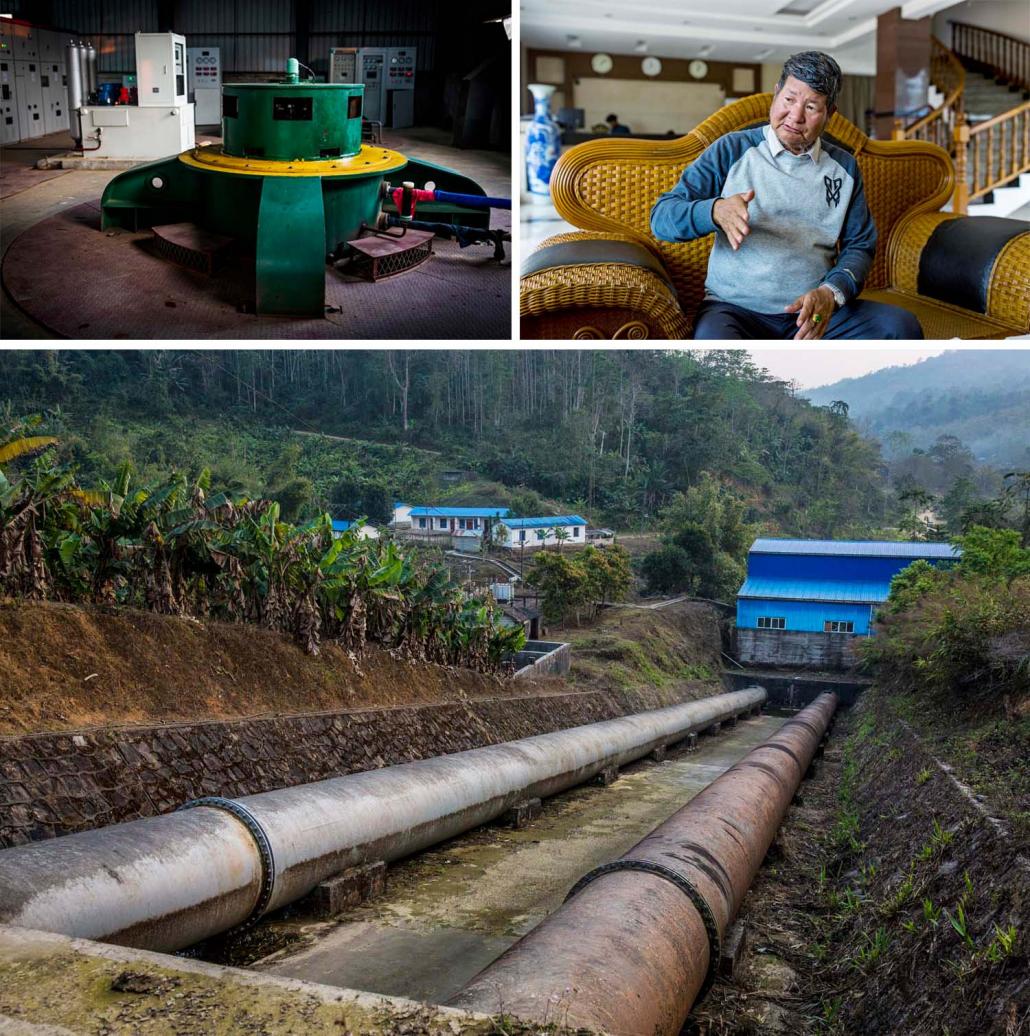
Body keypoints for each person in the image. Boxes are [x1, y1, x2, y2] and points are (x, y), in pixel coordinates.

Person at [650, 51, 922, 340]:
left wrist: (831, 294)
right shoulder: (731, 150)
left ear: (831, 114)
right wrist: (714, 211)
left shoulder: (845, 168)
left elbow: (860, 245)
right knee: (715, 352)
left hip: (813, 313)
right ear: (776, 94)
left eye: (811, 107)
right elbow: (662, 218)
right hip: (735, 310)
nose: (795, 117)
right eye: (789, 100)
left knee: (900, 327)